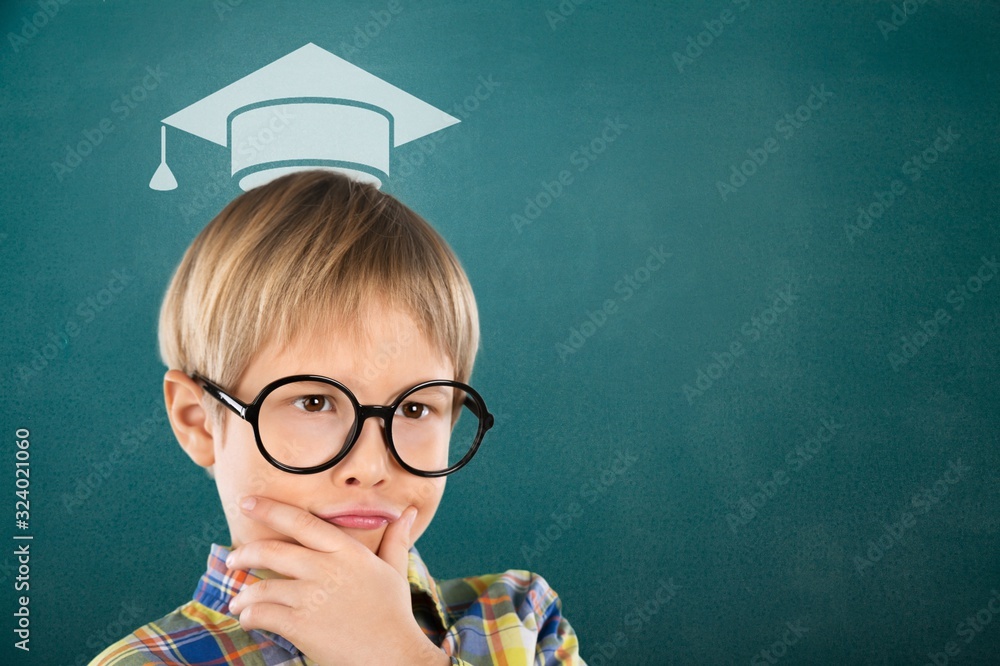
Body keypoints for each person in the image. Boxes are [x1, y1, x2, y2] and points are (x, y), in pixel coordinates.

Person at [89, 170, 583, 665]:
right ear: (198, 421)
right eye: (314, 403)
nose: (369, 467)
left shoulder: (520, 620)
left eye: (414, 408)